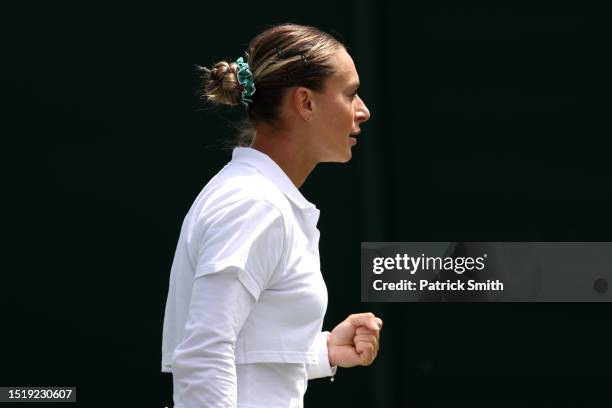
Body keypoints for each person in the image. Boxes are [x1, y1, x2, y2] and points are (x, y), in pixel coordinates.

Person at [161, 23, 383, 408]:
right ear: (306, 103)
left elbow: (243, 349)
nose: (363, 111)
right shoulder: (255, 205)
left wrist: (324, 350)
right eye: (350, 94)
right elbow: (203, 355)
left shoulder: (259, 198)